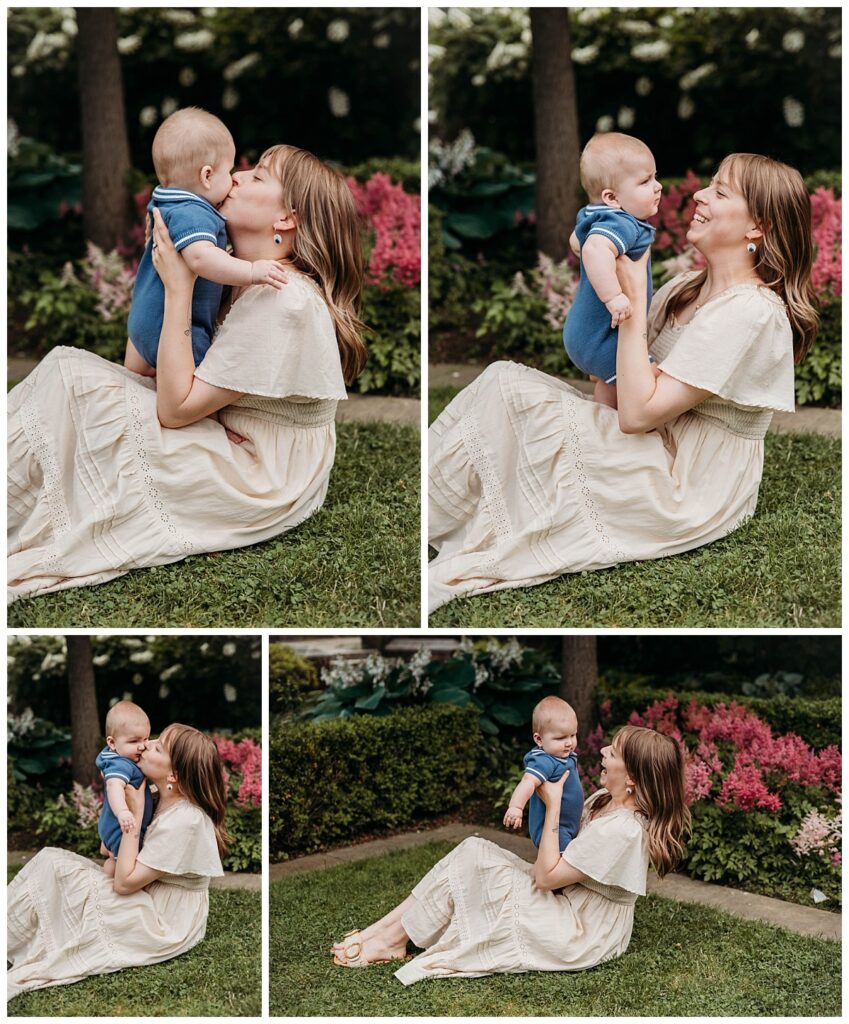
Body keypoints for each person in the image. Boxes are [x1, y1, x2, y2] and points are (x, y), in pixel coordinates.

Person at [428, 153, 817, 615]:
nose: (698, 195)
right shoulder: (685, 289)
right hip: (654, 435)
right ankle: (434, 516)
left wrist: (630, 302)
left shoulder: (750, 312)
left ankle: (445, 523)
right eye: (708, 185)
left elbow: (636, 414)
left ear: (757, 227)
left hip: (686, 483)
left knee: (515, 392)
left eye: (720, 191)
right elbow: (621, 380)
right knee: (503, 381)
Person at [8, 144, 367, 604]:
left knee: (74, 381)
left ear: (286, 219)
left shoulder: (283, 299)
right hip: (226, 436)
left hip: (259, 476)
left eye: (257, 177)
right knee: (70, 373)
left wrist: (179, 287)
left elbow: (175, 408)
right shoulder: (242, 276)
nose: (235, 177)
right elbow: (143, 369)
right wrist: (156, 277)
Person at [331, 725, 691, 982]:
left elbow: (546, 877)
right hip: (566, 900)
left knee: (481, 862)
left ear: (632, 777)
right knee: (474, 849)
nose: (601, 752)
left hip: (579, 930)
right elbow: (558, 856)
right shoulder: (603, 802)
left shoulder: (623, 830)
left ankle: (391, 940)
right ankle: (385, 933)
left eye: (613, 753)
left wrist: (551, 806)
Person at [7, 724, 227, 999]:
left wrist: (133, 817)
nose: (146, 745)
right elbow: (106, 849)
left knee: (56, 867)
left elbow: (124, 883)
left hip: (162, 920)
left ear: (174, 774)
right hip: (142, 892)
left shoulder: (187, 820)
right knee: (51, 860)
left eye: (158, 747)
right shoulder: (154, 797)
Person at [126, 107, 288, 375]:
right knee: (200, 380)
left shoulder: (168, 202)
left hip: (143, 323)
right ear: (207, 176)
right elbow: (201, 258)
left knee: (133, 386)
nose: (235, 176)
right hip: (174, 330)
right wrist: (251, 271)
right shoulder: (194, 213)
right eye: (229, 170)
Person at [564, 132, 660, 408]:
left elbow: (577, 241)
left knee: (611, 389)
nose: (658, 187)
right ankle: (644, 435)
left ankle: (603, 425)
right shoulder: (622, 223)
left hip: (584, 334)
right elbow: (594, 249)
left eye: (655, 177)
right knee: (649, 379)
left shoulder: (594, 213)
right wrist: (613, 297)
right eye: (645, 181)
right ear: (612, 197)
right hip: (602, 338)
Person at [503, 695, 582, 853]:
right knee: (566, 862)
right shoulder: (545, 761)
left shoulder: (563, 756)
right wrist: (516, 807)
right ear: (539, 739)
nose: (569, 743)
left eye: (572, 735)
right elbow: (528, 781)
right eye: (560, 738)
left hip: (567, 824)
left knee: (570, 860)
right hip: (553, 829)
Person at [95, 700, 154, 877]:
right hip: (122, 828)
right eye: (134, 741)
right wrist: (122, 812)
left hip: (115, 827)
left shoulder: (116, 756)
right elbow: (114, 786)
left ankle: (108, 879)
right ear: (112, 743)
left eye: (145, 739)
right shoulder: (121, 765)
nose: (142, 745)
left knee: (113, 867)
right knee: (129, 867)